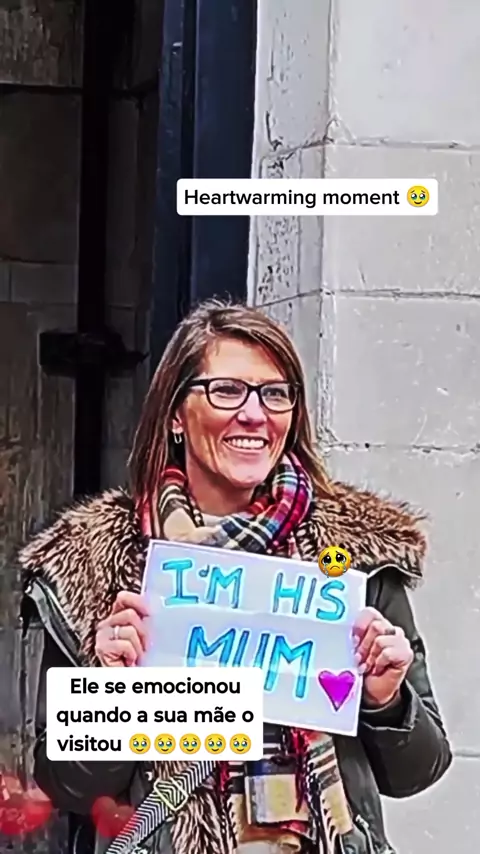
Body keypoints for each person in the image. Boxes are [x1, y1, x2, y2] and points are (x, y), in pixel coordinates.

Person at [20, 299, 452, 854]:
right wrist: (113, 695)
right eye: (226, 391)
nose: (254, 414)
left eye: (275, 393)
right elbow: (67, 786)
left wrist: (387, 700)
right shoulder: (93, 563)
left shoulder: (353, 557)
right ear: (175, 414)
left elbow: (419, 770)